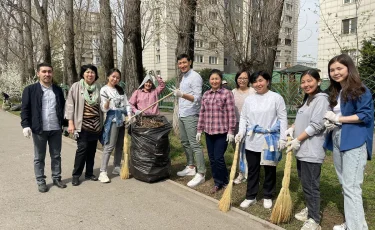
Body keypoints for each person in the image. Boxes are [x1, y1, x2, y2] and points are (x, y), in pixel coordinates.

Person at [323, 54, 374, 230]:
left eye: (339, 68)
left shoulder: (360, 90)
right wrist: (332, 121)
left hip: (354, 140)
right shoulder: (337, 92)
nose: (335, 72)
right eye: (332, 70)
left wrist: (339, 118)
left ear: (349, 68)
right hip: (338, 138)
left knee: (352, 186)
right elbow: (336, 116)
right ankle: (353, 222)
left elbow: (365, 115)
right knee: (346, 185)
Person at [235, 71, 287, 209]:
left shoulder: (276, 98)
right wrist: (241, 132)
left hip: (269, 139)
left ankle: (268, 195)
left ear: (267, 81)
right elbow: (244, 118)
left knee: (269, 168)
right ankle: (250, 196)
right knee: (252, 169)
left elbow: (282, 118)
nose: (258, 84)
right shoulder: (249, 99)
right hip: (252, 139)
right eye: (255, 82)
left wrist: (283, 138)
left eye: (260, 80)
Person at [285, 70, 329, 230]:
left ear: (318, 81)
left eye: (309, 81)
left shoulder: (321, 100)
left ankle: (314, 220)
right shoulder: (308, 99)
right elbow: (303, 120)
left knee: (311, 185)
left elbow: (318, 125)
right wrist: (292, 128)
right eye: (303, 82)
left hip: (311, 150)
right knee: (305, 183)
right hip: (301, 149)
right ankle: (310, 209)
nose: (306, 84)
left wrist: (298, 139)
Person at [20, 63, 67, 193]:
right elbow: (25, 109)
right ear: (38, 73)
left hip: (55, 128)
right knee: (39, 157)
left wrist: (66, 124)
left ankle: (57, 178)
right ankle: (41, 181)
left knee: (56, 155)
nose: (47, 74)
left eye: (49, 72)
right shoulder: (30, 90)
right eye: (44, 71)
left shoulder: (58, 90)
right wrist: (25, 125)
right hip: (39, 129)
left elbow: (62, 108)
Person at [196, 69, 236, 193]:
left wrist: (231, 131)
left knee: (219, 157)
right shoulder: (206, 94)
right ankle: (217, 182)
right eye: (212, 79)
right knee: (212, 158)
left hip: (221, 132)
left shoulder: (227, 93)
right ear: (209, 80)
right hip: (209, 131)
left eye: (216, 78)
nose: (214, 81)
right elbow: (202, 113)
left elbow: (231, 113)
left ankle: (225, 181)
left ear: (220, 80)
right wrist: (199, 130)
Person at [65, 64, 103, 186]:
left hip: (96, 125)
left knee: (92, 151)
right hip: (82, 125)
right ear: (83, 74)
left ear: (95, 75)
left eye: (92, 72)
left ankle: (89, 173)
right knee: (82, 150)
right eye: (87, 72)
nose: (90, 74)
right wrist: (70, 123)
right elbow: (70, 105)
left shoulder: (98, 88)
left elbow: (101, 106)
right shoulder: (76, 86)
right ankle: (76, 175)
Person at [172, 53, 206, 188]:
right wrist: (180, 92)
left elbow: (198, 98)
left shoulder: (195, 76)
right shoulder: (184, 77)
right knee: (185, 142)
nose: (182, 65)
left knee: (195, 144)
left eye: (184, 62)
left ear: (190, 62)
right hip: (182, 113)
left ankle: (201, 173)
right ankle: (191, 166)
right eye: (180, 63)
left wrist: (182, 94)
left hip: (192, 114)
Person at [98, 68, 132, 183]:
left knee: (120, 145)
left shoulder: (120, 89)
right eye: (113, 76)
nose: (115, 79)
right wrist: (107, 102)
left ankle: (116, 166)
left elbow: (127, 104)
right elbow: (104, 108)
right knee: (109, 146)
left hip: (122, 120)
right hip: (112, 120)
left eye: (117, 77)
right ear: (108, 76)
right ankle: (103, 171)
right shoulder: (104, 90)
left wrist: (129, 115)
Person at [232, 70, 256, 184]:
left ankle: (251, 174)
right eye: (240, 78)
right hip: (236, 124)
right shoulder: (232, 92)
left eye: (245, 78)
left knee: (250, 152)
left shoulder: (253, 91)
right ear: (236, 79)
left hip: (250, 126)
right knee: (238, 150)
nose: (242, 80)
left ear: (249, 80)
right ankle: (241, 173)